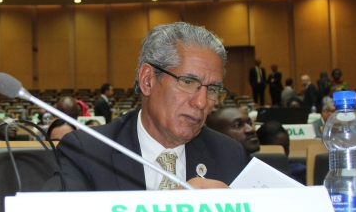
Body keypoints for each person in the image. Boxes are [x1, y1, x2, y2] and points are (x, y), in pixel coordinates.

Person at [43, 22, 248, 192]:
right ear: (148, 80)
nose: (201, 102)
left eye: (212, 89)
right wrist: (170, 210)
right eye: (187, 82)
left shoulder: (228, 154)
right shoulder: (88, 151)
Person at [256, 120, 306, 185]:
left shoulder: (300, 173)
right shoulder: (253, 173)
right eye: (278, 149)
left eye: (286, 148)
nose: (284, 153)